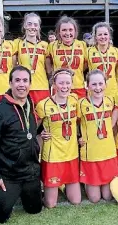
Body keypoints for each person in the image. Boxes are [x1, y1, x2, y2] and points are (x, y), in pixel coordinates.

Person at [0, 65, 43, 223]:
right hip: (9, 174)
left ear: (30, 84)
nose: (21, 84)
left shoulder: (30, 103)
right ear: (10, 83)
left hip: (30, 171)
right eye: (17, 80)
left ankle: (23, 191)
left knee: (34, 209)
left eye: (25, 80)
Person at [36, 68, 81, 208]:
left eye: (68, 83)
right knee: (50, 204)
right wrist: (40, 134)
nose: (65, 86)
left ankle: (61, 185)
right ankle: (55, 184)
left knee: (76, 201)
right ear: (54, 84)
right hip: (53, 155)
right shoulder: (43, 105)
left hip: (71, 153)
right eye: (61, 83)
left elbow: (81, 123)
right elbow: (33, 128)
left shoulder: (75, 100)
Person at [77, 69, 118, 202]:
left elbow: (116, 123)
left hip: (108, 152)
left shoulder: (111, 101)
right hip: (91, 154)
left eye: (101, 84)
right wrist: (78, 137)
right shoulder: (80, 104)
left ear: (106, 84)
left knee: (107, 196)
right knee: (95, 199)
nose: (98, 88)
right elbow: (72, 124)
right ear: (87, 85)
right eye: (94, 84)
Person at [14, 12, 51, 105]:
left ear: (39, 27)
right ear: (25, 26)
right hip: (24, 87)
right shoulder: (17, 43)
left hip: (42, 87)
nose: (32, 27)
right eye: (29, 24)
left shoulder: (45, 45)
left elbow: (49, 70)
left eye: (35, 24)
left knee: (42, 118)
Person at [48, 16, 88, 99]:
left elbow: (85, 64)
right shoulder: (52, 46)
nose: (67, 33)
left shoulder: (82, 44)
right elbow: (48, 63)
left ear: (75, 31)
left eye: (70, 30)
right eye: (64, 30)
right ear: (59, 32)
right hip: (60, 87)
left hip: (78, 86)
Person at [87, 22, 118, 98]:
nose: (103, 37)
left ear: (109, 36)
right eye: (99, 34)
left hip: (112, 92)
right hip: (95, 92)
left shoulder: (117, 51)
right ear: (95, 37)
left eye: (105, 34)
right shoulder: (87, 51)